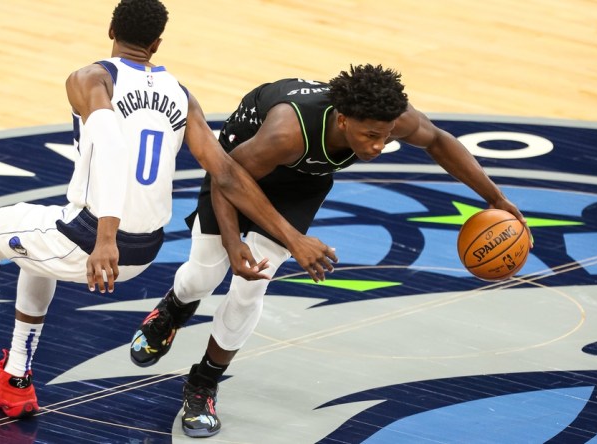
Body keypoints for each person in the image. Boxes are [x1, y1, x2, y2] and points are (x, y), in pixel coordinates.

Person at [0, 0, 335, 420]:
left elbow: (111, 147)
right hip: (147, 249)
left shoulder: (90, 78)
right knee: (32, 241)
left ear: (110, 31)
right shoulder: (181, 94)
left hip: (96, 241)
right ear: (157, 43)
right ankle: (16, 380)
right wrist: (285, 238)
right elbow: (228, 175)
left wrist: (105, 238)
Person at [129, 65, 531, 437]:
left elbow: (440, 142)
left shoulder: (390, 117)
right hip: (235, 169)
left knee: (252, 284)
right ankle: (175, 308)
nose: (377, 146)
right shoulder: (287, 131)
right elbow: (227, 179)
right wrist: (239, 244)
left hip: (300, 184)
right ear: (342, 120)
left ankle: (203, 383)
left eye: (386, 135)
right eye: (369, 136)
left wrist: (496, 198)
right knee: (205, 273)